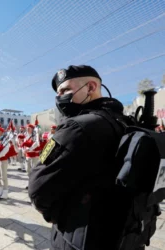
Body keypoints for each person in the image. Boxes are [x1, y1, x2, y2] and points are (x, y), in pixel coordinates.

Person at [28, 65, 134, 250]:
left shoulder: (77, 127)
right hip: (122, 235)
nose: (60, 97)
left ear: (91, 88)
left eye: (66, 89)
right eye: (58, 92)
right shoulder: (125, 122)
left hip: (81, 237)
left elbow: (38, 189)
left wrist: (53, 213)